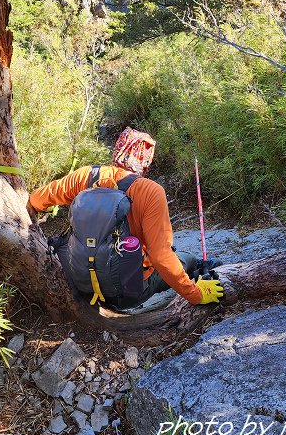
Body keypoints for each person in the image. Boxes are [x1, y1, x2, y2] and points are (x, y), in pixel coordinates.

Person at [28, 127, 224, 307]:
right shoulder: (150, 191)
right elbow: (161, 256)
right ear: (145, 159)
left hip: (80, 283)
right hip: (126, 295)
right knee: (185, 258)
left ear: (119, 148)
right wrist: (195, 294)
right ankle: (197, 269)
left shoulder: (85, 176)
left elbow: (36, 200)